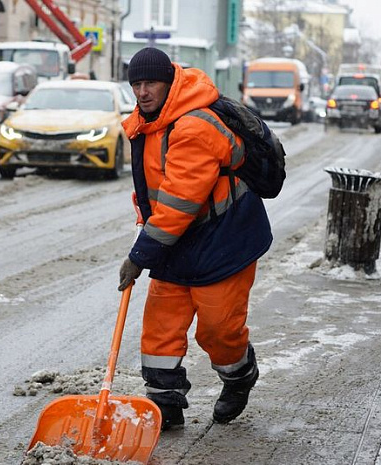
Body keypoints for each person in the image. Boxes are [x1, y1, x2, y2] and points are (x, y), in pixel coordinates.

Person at [118, 47, 273, 430]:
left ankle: (239, 378)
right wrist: (148, 227)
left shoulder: (193, 125)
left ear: (169, 83)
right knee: (160, 329)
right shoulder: (147, 123)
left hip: (224, 239)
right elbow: (155, 190)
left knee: (219, 330)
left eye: (149, 82)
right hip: (177, 241)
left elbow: (180, 201)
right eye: (135, 84)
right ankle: (165, 403)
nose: (141, 91)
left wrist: (140, 255)